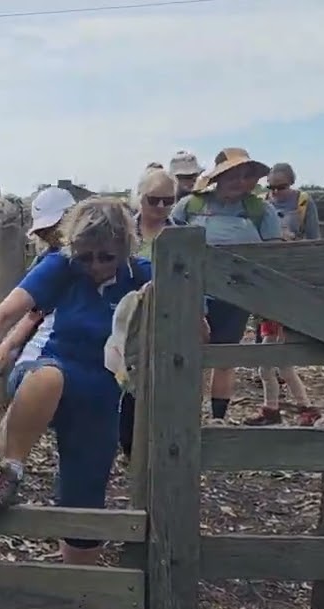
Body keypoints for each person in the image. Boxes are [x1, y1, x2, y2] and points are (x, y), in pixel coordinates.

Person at [0, 197, 150, 566]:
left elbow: (196, 325)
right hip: (47, 371)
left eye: (105, 257)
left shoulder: (142, 275)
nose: (94, 265)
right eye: (85, 256)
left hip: (102, 393)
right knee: (48, 377)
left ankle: (76, 590)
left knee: (85, 494)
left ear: (124, 248)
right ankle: (10, 471)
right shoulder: (59, 267)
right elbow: (0, 316)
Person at [0, 187, 77, 494]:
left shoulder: (101, 259)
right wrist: (4, 347)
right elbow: (31, 314)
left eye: (57, 228)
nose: (54, 236)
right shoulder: (52, 263)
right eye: (48, 231)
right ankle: (11, 468)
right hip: (51, 352)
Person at [169, 148, 283, 424]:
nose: (240, 181)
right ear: (219, 177)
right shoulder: (190, 206)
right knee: (190, 353)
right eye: (233, 175)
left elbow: (274, 254)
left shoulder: (260, 210)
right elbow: (169, 243)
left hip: (237, 295)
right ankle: (187, 414)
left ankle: (218, 418)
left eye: (246, 176)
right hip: (193, 292)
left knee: (225, 355)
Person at [244, 163, 322, 426]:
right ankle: (281, 408)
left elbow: (314, 242)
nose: (275, 192)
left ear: (291, 183)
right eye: (272, 187)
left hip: (289, 286)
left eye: (281, 187)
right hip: (267, 287)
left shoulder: (303, 203)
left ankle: (297, 408)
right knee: (276, 359)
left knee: (272, 359)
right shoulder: (262, 204)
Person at [115, 167, 185, 459]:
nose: (160, 207)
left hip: (168, 318)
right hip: (124, 319)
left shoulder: (183, 234)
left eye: (167, 201)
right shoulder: (121, 233)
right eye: (153, 199)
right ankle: (130, 446)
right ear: (139, 198)